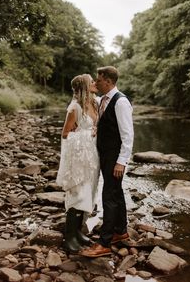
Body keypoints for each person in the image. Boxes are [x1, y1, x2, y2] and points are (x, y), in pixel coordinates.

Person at [81, 66, 134, 257]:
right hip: (105, 155)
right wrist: (90, 88)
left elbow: (128, 135)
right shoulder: (102, 99)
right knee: (116, 192)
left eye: (99, 80)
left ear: (109, 81)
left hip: (114, 157)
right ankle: (121, 231)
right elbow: (84, 98)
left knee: (109, 196)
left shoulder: (120, 102)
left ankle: (104, 242)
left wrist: (122, 161)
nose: (96, 82)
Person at [56, 74, 100, 253]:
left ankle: (78, 232)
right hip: (78, 157)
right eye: (92, 82)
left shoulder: (95, 103)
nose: (95, 83)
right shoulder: (74, 108)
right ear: (84, 87)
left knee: (88, 192)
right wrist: (88, 134)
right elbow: (65, 134)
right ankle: (69, 238)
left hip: (91, 155)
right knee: (78, 193)